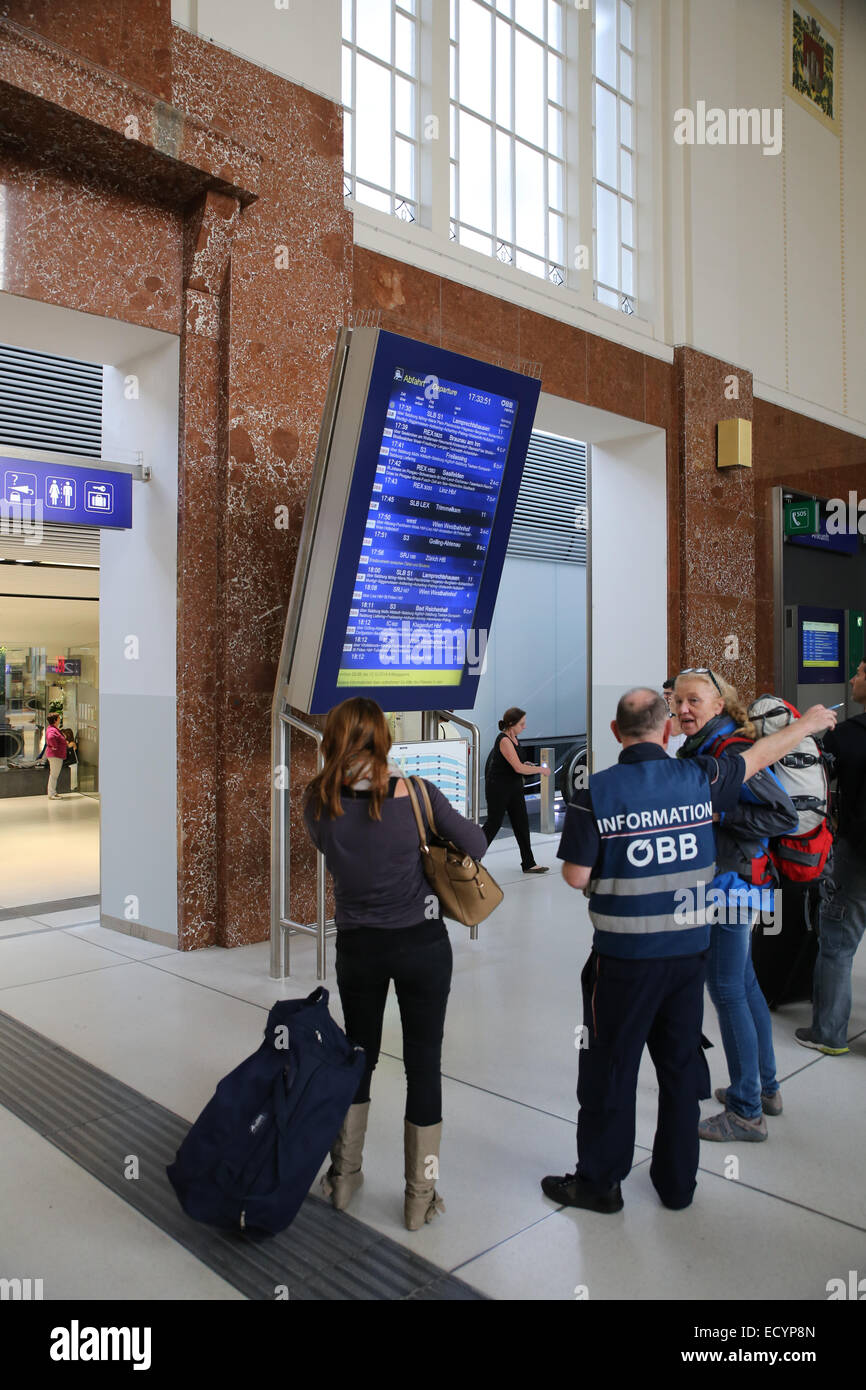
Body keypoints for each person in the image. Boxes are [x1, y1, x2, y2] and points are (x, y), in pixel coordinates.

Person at [541, 687, 837, 1214]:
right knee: (679, 1068)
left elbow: (575, 875)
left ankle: (600, 1184)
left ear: (615, 733)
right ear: (668, 729)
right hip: (686, 957)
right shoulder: (699, 778)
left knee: (611, 1069)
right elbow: (761, 755)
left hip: (622, 962)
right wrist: (809, 722)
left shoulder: (597, 791)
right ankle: (677, 1186)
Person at [303, 696, 487, 1230]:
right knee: (423, 1067)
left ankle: (342, 1180)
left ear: (334, 739)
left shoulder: (317, 802)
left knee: (358, 1058)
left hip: (358, 948)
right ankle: (418, 1197)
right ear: (384, 738)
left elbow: (336, 850)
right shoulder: (418, 794)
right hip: (422, 948)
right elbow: (474, 841)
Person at [673, 668, 826, 1142]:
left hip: (733, 884)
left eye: (694, 701)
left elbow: (781, 814)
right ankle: (765, 1089)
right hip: (734, 879)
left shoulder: (732, 750)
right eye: (677, 701)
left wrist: (718, 812)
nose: (683, 710)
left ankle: (745, 1112)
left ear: (719, 705)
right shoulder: (706, 746)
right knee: (744, 983)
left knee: (726, 989)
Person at [796, 658, 866, 1056]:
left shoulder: (851, 734)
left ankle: (829, 1033)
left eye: (859, 672)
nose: (852, 679)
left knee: (838, 944)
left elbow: (812, 777)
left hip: (857, 856)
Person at [482, 706, 551, 874]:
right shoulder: (504, 740)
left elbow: (516, 765)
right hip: (498, 788)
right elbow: (518, 768)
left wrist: (527, 765)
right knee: (493, 824)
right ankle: (471, 857)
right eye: (522, 724)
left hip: (513, 787)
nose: (524, 727)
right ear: (512, 724)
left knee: (521, 824)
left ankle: (529, 863)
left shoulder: (514, 738)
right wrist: (541, 770)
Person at [44, 713, 68, 799]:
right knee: (54, 775)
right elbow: (51, 738)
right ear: (55, 720)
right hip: (55, 755)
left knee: (54, 774)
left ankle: (53, 792)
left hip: (56, 755)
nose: (60, 719)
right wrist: (54, 746)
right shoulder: (52, 730)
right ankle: (51, 793)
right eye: (58, 718)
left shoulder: (53, 729)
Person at [662, 678, 687, 757]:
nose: (665, 696)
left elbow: (675, 731)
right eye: (664, 694)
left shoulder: (690, 713)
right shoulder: (661, 713)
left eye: (668, 694)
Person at [61, 727, 78, 792]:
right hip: (70, 763)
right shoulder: (68, 743)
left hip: (73, 763)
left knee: (73, 778)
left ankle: (73, 788)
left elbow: (66, 749)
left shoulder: (72, 743)